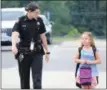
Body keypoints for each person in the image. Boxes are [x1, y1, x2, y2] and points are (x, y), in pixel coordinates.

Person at [11, 2, 50, 89]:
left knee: (37, 80)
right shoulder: (20, 21)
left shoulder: (39, 20)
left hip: (37, 53)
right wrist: (13, 45)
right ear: (29, 11)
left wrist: (47, 51)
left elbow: (43, 37)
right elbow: (15, 33)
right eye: (36, 12)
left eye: (38, 12)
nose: (38, 14)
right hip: (23, 53)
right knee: (24, 81)